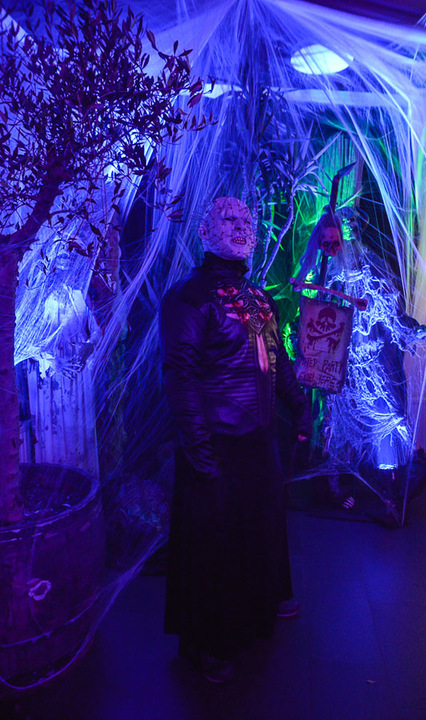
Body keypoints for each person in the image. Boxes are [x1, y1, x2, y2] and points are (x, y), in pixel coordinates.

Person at [160, 196, 311, 683]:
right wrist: (199, 450)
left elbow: (277, 361)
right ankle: (213, 642)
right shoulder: (189, 297)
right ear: (205, 232)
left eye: (247, 219)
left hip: (258, 441)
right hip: (216, 442)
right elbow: (180, 376)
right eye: (228, 218)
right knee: (215, 544)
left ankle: (263, 604)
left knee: (261, 527)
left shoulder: (259, 298)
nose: (242, 226)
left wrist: (299, 405)